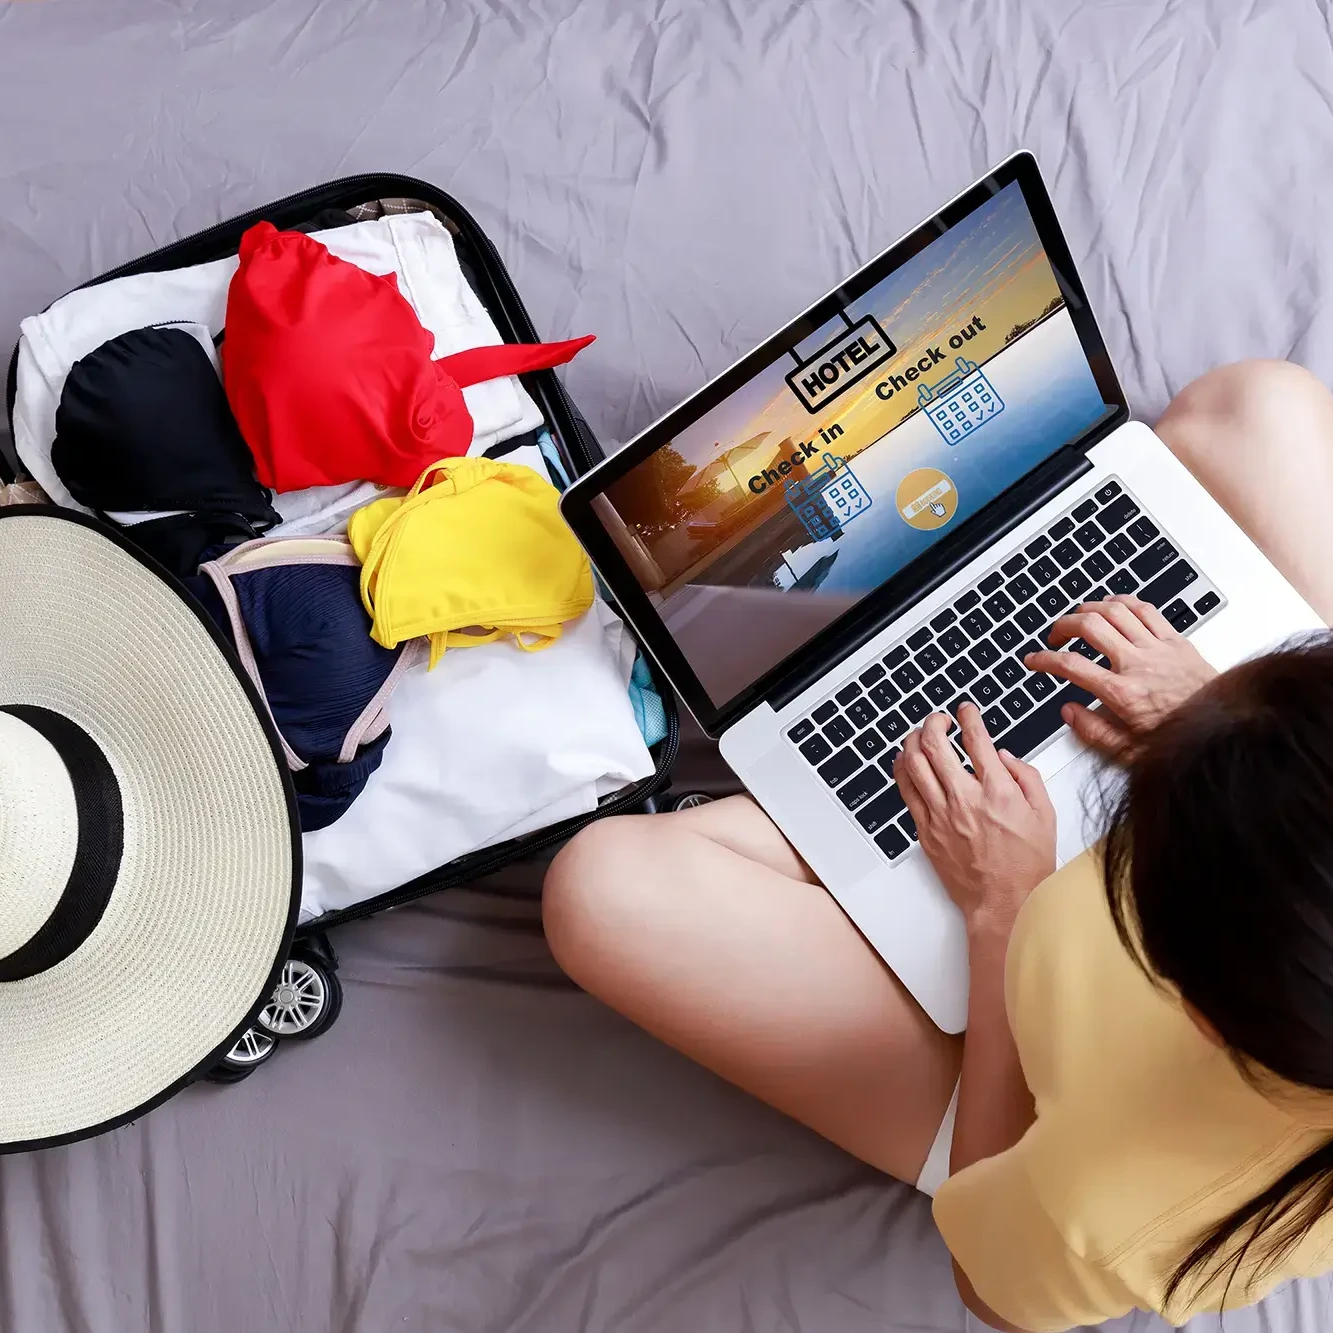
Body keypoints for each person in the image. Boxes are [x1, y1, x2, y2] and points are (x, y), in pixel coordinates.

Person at [542, 359, 1333, 1330]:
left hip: (1019, 1065)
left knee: (601, 891)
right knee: (1260, 404)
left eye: (1142, 826)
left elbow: (990, 1293)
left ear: (1197, 1006)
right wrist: (1220, 720)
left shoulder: (1115, 1205)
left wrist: (1003, 911)